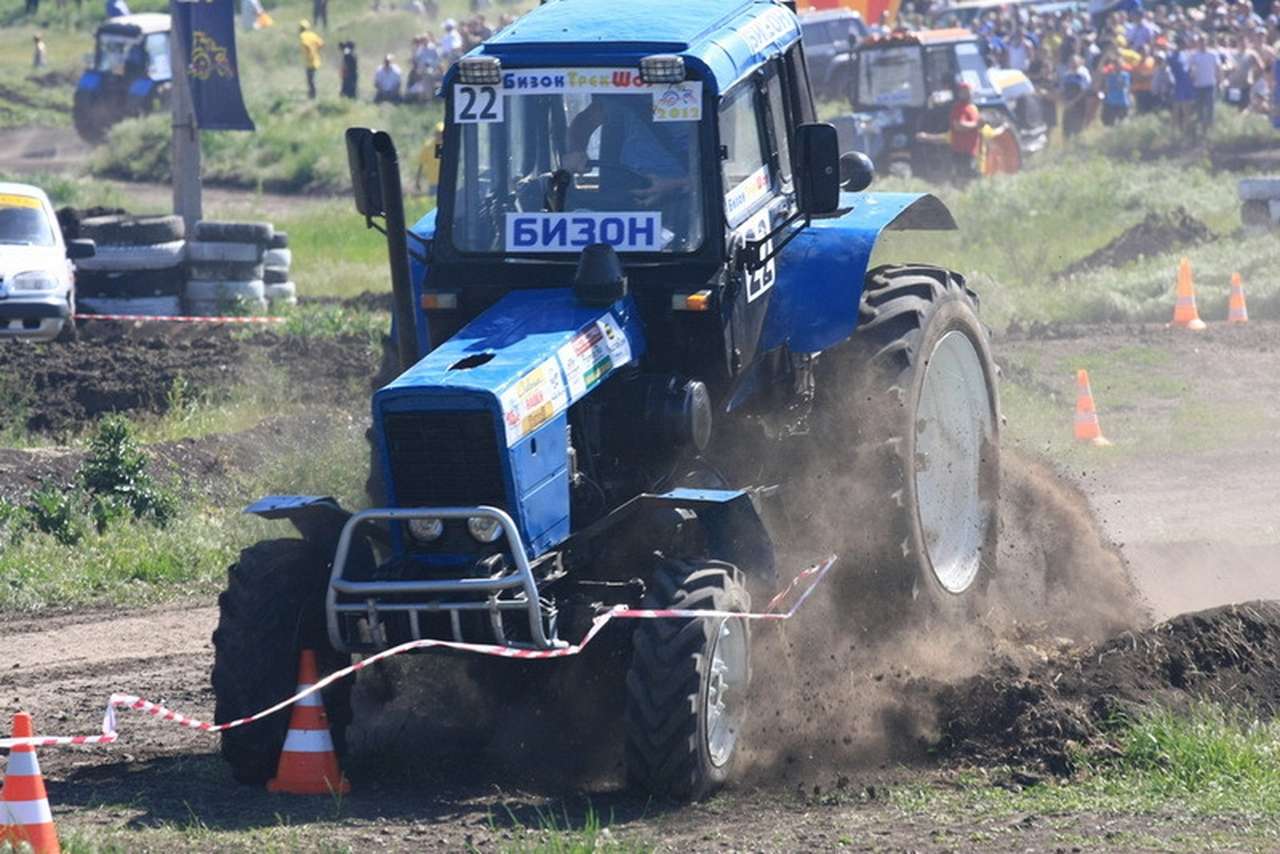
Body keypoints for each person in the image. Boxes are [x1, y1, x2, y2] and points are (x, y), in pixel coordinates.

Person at [947, 82, 982, 184]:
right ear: (960, 93)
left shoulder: (973, 108)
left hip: (972, 150)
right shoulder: (958, 108)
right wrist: (976, 125)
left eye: (968, 91)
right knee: (963, 177)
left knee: (972, 176)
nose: (967, 93)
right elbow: (958, 126)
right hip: (961, 150)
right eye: (964, 91)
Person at [1188, 34, 1221, 133]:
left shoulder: (1213, 54)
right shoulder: (1194, 55)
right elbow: (1190, 69)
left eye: (1204, 41)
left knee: (1210, 108)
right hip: (1198, 85)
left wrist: (1219, 81)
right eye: (1200, 41)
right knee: (1200, 108)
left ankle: (1210, 129)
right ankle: (1201, 129)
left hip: (1210, 84)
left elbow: (1218, 68)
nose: (1202, 43)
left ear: (1207, 42)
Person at [1100, 48, 1133, 124]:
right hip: (1111, 101)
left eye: (1119, 64)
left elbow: (1125, 86)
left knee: (1123, 120)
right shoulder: (1110, 75)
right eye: (1116, 64)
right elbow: (1107, 86)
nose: (1118, 66)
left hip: (1122, 100)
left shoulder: (1125, 75)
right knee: (1111, 121)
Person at [415, 122, 444, 195]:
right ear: (435, 133)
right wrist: (418, 180)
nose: (440, 135)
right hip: (433, 183)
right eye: (438, 133)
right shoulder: (428, 146)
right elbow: (421, 164)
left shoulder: (450, 145)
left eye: (442, 133)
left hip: (446, 182)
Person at [299, 20, 324, 100]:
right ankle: (312, 94)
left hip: (310, 61)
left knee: (310, 80)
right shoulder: (313, 35)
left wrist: (310, 52)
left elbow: (305, 45)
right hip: (316, 60)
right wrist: (315, 50)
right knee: (311, 78)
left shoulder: (302, 36)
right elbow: (321, 44)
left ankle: (312, 95)